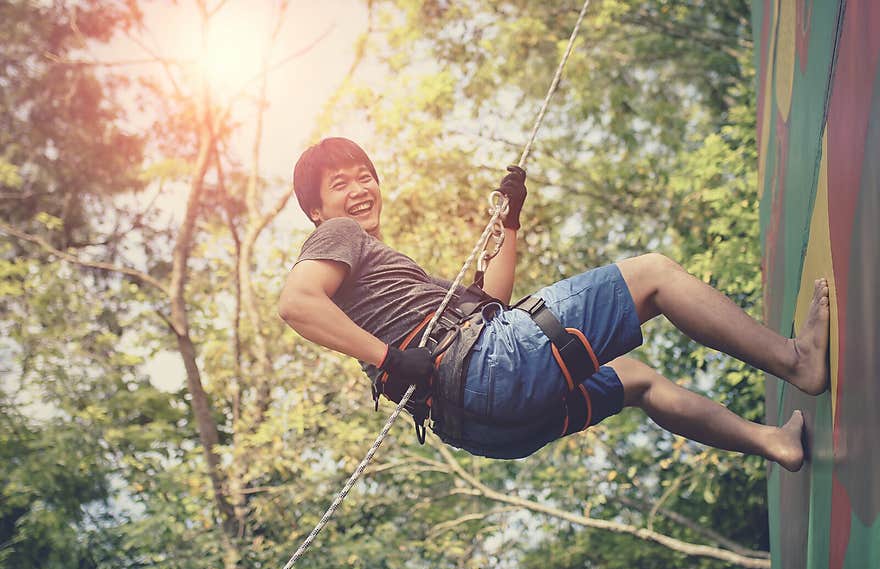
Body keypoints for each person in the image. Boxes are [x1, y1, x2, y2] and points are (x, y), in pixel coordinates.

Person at [279, 137, 830, 472]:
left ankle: (772, 442)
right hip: (480, 371)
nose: (359, 189)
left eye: (364, 176)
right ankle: (794, 361)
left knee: (636, 380)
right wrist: (390, 358)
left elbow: (492, 304)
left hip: (487, 425)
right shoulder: (341, 235)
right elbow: (296, 303)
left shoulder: (389, 280)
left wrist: (509, 220)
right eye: (338, 184)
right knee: (653, 275)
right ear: (317, 211)